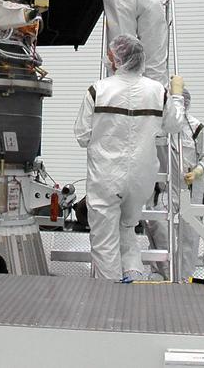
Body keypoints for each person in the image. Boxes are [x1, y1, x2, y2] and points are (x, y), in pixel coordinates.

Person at [75, 34, 184, 281]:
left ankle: (109, 299)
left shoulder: (97, 90)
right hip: (141, 179)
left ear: (116, 60)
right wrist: (176, 95)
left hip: (105, 177)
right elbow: (175, 124)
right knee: (127, 230)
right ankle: (133, 281)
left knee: (104, 242)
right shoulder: (158, 91)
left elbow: (82, 136)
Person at [146, 108, 204, 281]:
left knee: (190, 236)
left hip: (190, 189)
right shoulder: (156, 127)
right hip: (163, 188)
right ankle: (165, 275)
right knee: (159, 228)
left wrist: (198, 171)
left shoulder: (196, 128)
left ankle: (184, 278)